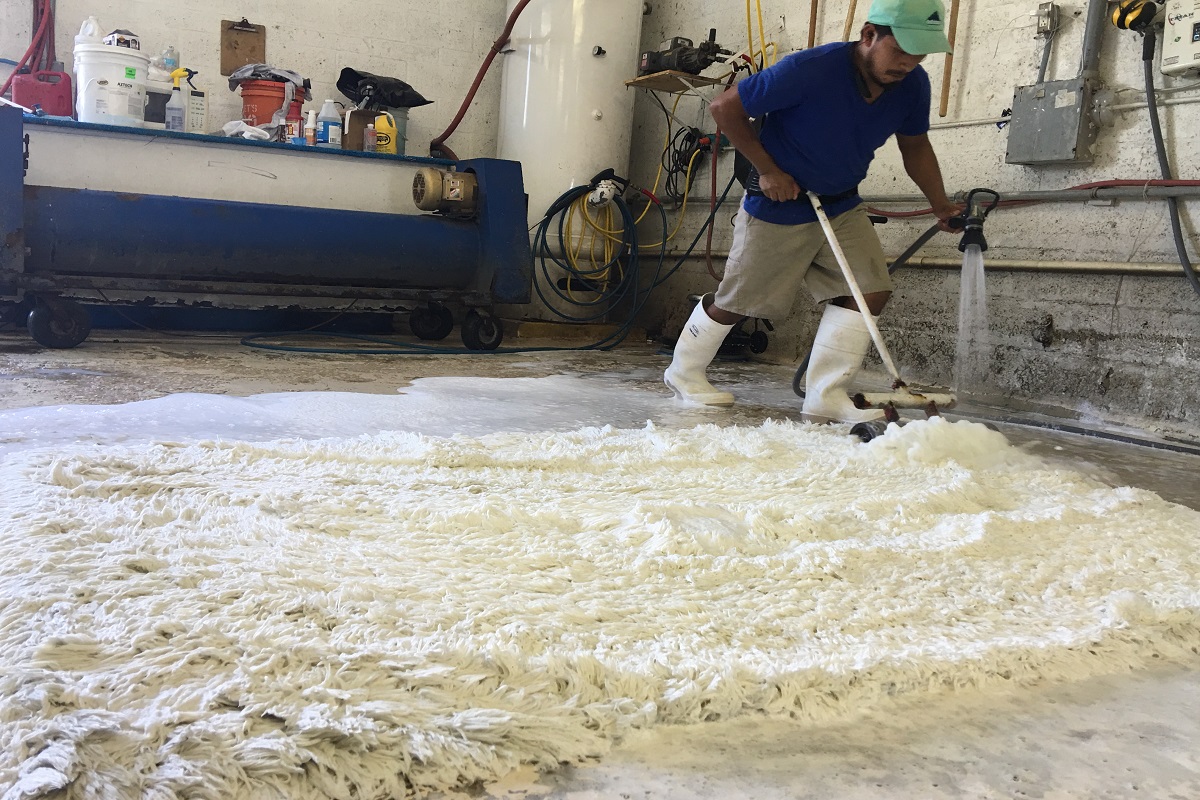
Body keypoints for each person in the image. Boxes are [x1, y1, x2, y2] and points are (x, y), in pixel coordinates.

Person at [663, 0, 961, 423]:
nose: (908, 63)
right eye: (900, 50)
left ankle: (825, 395)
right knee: (740, 301)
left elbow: (914, 147)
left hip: (841, 202)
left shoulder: (913, 86)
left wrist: (940, 205)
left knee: (869, 290)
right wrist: (768, 170)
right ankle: (684, 371)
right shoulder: (810, 69)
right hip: (779, 203)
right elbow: (724, 108)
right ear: (869, 35)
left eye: (919, 54)